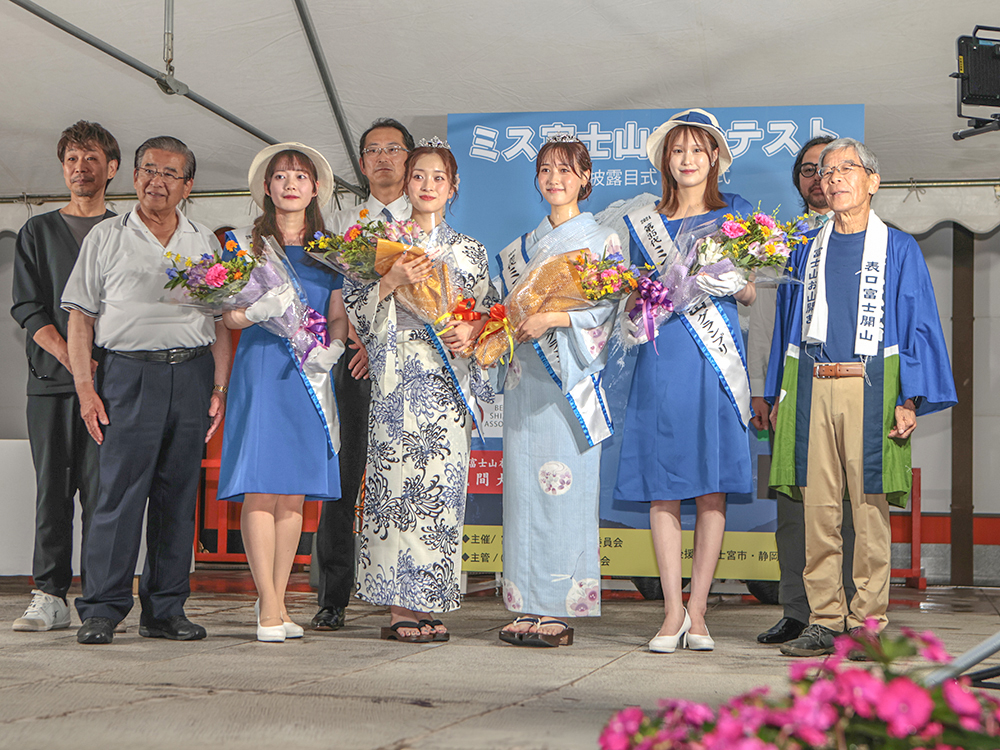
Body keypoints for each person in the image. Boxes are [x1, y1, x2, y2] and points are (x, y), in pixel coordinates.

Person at [766, 137, 957, 657]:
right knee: (817, 508)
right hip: (812, 384)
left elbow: (918, 323)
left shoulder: (898, 248)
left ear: (873, 181)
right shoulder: (806, 247)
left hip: (871, 387)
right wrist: (778, 393)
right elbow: (786, 330)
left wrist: (910, 397)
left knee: (869, 508)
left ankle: (867, 620)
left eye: (845, 169)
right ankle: (824, 618)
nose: (832, 180)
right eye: (825, 172)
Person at [61, 136, 232, 644]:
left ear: (188, 185)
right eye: (149, 170)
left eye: (170, 173)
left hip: (192, 373)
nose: (158, 181)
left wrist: (219, 386)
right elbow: (79, 318)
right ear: (133, 177)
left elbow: (222, 322)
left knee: (177, 497)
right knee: (117, 495)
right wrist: (86, 388)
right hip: (126, 377)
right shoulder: (106, 237)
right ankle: (102, 609)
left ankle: (165, 609)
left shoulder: (205, 241)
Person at [614, 109, 756, 653]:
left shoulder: (736, 215)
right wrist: (641, 299)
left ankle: (699, 611)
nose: (689, 160)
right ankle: (671, 611)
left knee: (711, 485)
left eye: (699, 150)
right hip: (663, 355)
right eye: (679, 151)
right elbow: (629, 297)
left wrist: (727, 280)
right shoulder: (641, 223)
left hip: (716, 359)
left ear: (715, 157)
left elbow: (748, 292)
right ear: (665, 161)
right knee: (663, 483)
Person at [344, 138, 495, 643]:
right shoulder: (382, 242)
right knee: (395, 486)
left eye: (438, 178)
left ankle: (432, 598)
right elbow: (357, 306)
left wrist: (472, 334)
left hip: (447, 381)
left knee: (439, 492)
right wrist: (391, 281)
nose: (428, 186)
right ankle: (397, 605)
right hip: (397, 377)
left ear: (453, 188)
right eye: (419, 177)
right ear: (406, 184)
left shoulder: (471, 250)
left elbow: (489, 314)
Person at [217, 144, 348, 642]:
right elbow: (225, 316)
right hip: (262, 368)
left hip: (311, 373)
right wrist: (250, 313)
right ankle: (267, 605)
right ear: (266, 187)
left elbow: (337, 312)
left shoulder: (330, 251)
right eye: (280, 175)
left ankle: (280, 600)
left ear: (315, 188)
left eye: (300, 176)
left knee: (293, 492)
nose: (290, 183)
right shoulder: (245, 249)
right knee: (261, 482)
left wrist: (334, 347)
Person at [495, 135, 620, 647]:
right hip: (526, 382)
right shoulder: (520, 248)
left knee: (565, 493)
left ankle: (560, 607)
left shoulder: (602, 239)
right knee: (524, 493)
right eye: (545, 169)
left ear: (585, 178)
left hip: (569, 380)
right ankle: (524, 604)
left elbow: (608, 308)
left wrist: (554, 315)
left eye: (566, 170)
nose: (554, 178)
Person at [10, 121, 119, 632]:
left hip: (113, 389)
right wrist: (76, 362)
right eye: (73, 159)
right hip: (52, 387)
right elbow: (29, 310)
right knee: (53, 491)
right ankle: (48, 593)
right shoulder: (36, 231)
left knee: (103, 494)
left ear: (111, 169)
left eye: (91, 158)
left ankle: (98, 596)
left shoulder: (126, 231)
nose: (81, 168)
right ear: (63, 168)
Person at [750, 136, 858, 645]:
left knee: (851, 507)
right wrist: (760, 390)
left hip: (852, 388)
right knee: (793, 509)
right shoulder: (784, 241)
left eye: (832, 169)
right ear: (799, 180)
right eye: (811, 169)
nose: (822, 178)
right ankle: (798, 610)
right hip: (794, 390)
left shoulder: (871, 240)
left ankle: (849, 614)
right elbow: (766, 322)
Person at [311, 118, 414, 632]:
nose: (382, 159)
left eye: (393, 149)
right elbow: (336, 298)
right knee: (345, 476)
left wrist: (388, 346)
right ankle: (334, 593)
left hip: (414, 369)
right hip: (355, 365)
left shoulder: (427, 225)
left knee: (407, 477)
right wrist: (361, 341)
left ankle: (405, 587)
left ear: (410, 159)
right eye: (372, 150)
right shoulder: (346, 226)